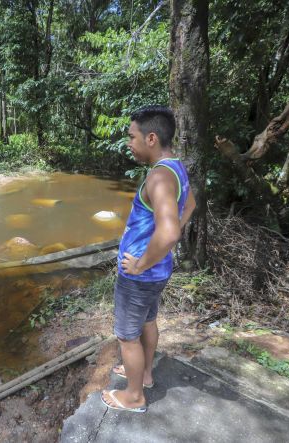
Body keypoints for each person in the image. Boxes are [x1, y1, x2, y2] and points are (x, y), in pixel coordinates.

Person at [101, 105, 196, 413]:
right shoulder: (175, 168)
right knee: (148, 321)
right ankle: (145, 375)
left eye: (132, 137)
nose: (129, 143)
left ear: (151, 138)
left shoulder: (157, 178)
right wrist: (156, 256)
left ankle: (133, 396)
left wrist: (141, 263)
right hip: (158, 271)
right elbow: (191, 204)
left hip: (140, 276)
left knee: (127, 336)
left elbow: (169, 234)